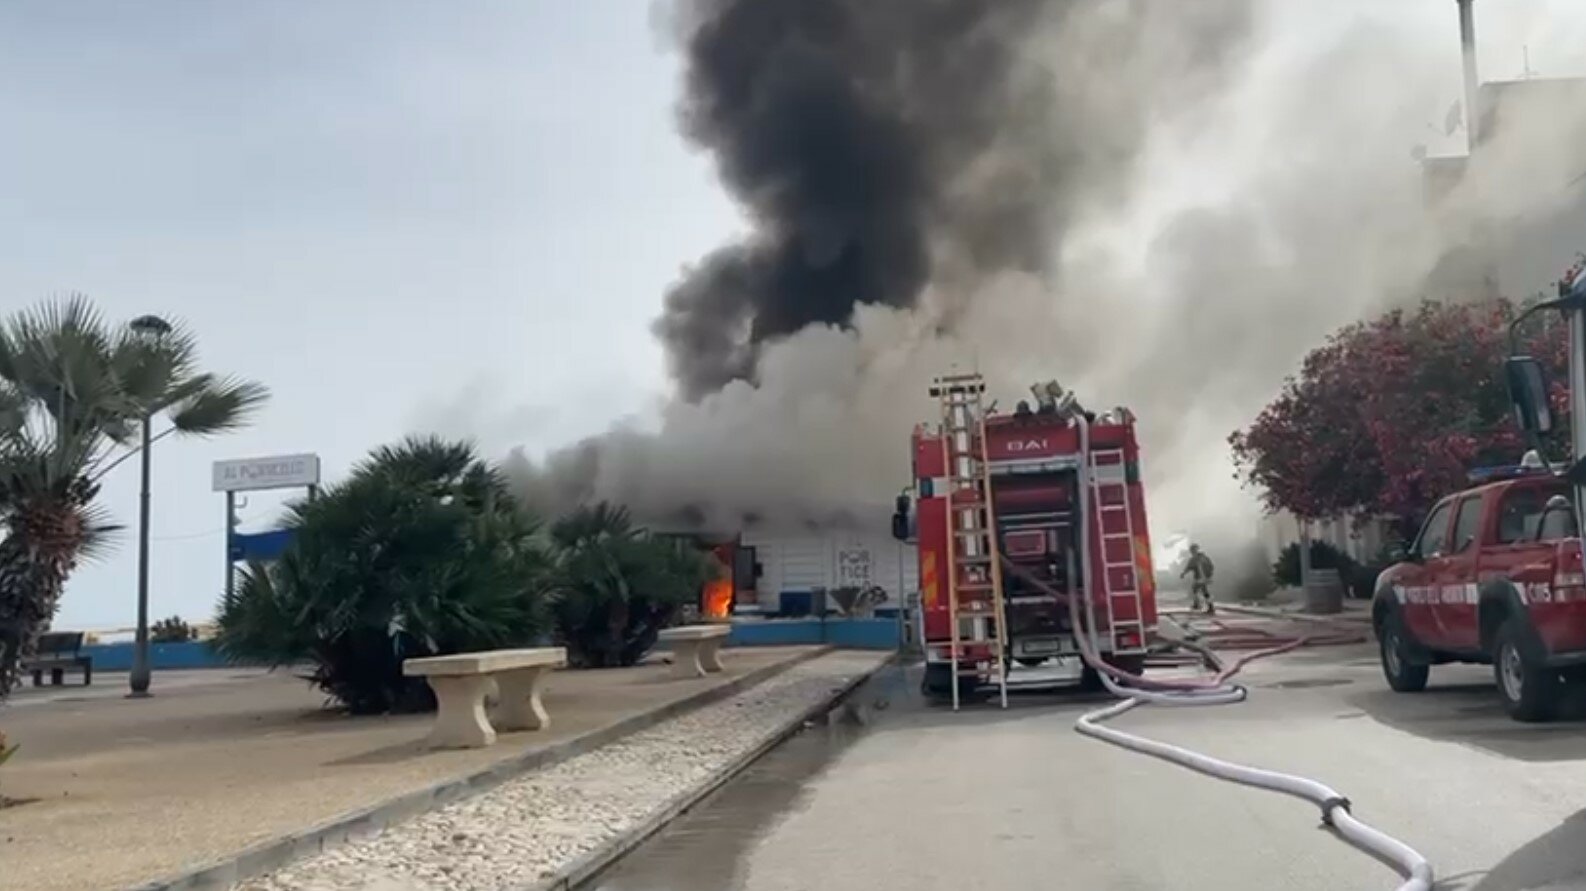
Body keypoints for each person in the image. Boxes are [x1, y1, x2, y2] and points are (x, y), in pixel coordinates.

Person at [1181, 543, 1215, 614]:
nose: (1192, 552)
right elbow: (1211, 566)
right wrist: (1209, 574)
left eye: (1192, 550)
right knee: (1202, 590)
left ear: (1193, 550)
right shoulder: (1204, 557)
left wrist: (1183, 573)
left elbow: (1188, 567)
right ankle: (1204, 605)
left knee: (1198, 590)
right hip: (1204, 577)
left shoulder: (1195, 558)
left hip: (1200, 578)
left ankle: (1201, 605)